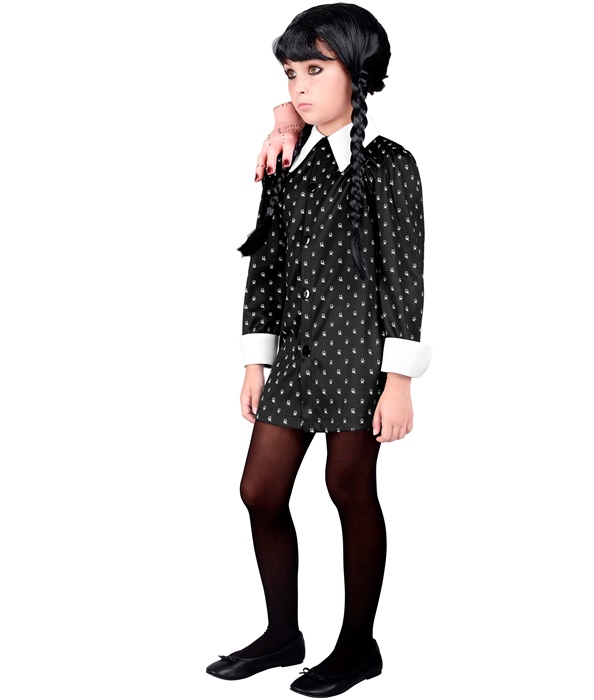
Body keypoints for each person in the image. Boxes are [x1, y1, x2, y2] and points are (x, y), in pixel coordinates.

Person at [206, 3, 433, 697]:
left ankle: (359, 646)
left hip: (361, 361)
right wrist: (256, 360)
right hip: (298, 359)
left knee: (348, 489)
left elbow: (405, 275)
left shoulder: (389, 163)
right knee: (259, 490)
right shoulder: (289, 163)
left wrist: (400, 379)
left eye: (314, 69)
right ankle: (283, 634)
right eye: (289, 74)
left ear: (356, 72)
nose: (299, 87)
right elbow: (265, 268)